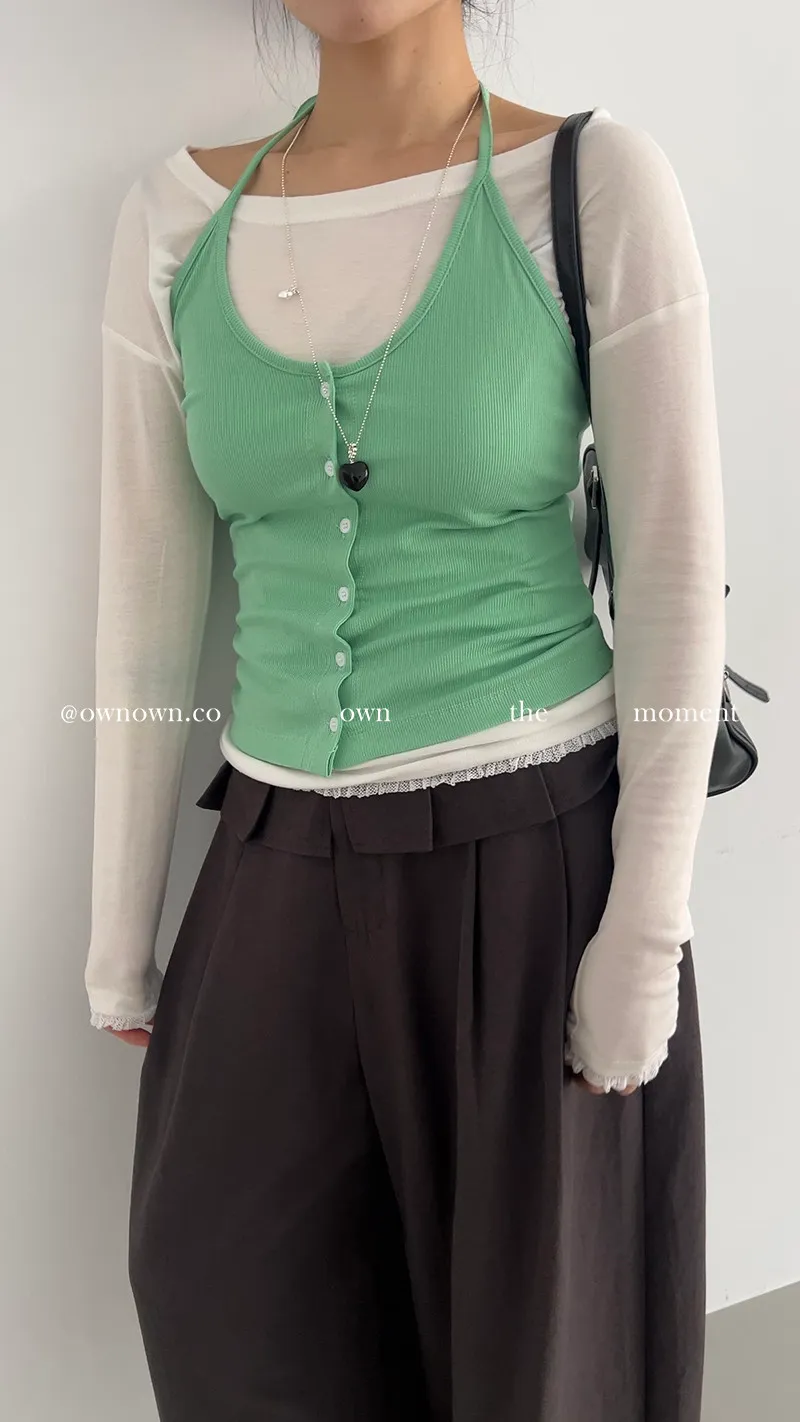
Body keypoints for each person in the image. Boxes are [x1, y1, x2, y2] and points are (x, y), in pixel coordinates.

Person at [85, 1, 726, 1418]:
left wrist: (646, 933)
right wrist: (121, 932)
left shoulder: (592, 187)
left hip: (535, 865)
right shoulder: (177, 220)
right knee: (221, 1302)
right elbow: (145, 599)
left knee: (538, 1365)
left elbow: (678, 582)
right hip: (269, 870)